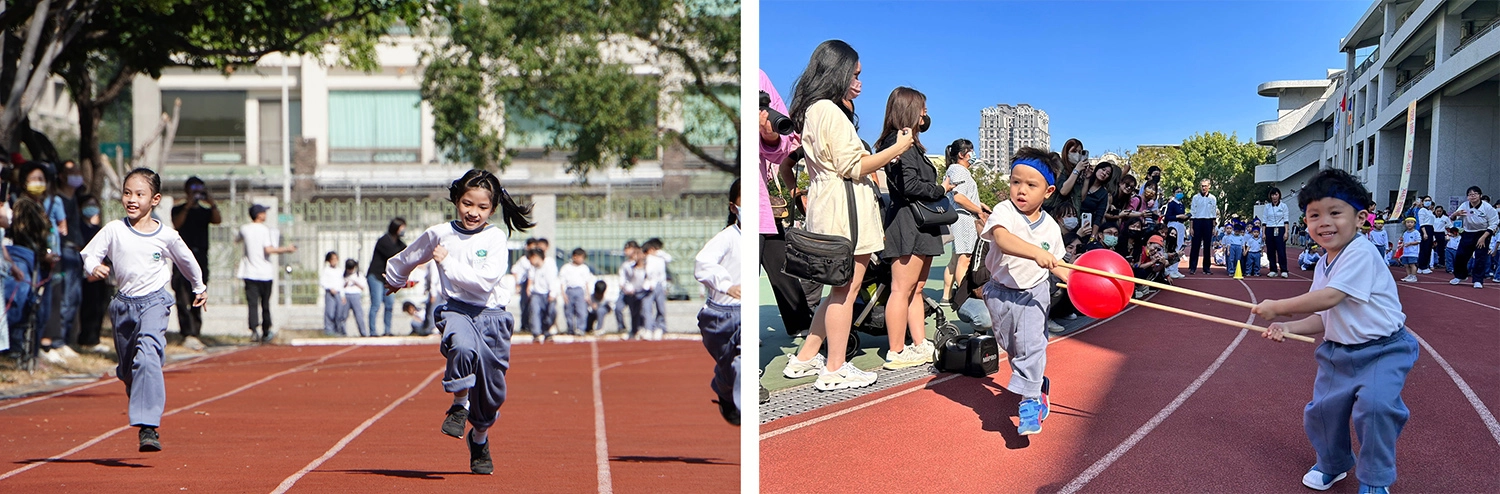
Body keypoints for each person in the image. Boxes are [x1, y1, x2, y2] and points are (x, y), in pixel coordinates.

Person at [1254, 168, 1419, 494]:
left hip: (1383, 350)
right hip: (1337, 352)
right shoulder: (1323, 262)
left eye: (1335, 212)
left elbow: (1332, 296)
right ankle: (1333, 464)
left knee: (1375, 408)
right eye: (1314, 215)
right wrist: (1287, 326)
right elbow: (1323, 315)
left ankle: (1374, 480)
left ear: (1360, 218)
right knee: (1321, 413)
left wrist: (1280, 306)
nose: (1324, 222)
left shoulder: (1360, 252)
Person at [781, 39, 915, 391]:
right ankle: (835, 368)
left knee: (838, 289)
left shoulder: (815, 109)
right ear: (837, 73)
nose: (859, 82)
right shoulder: (827, 109)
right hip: (846, 207)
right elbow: (853, 166)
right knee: (846, 289)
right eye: (854, 74)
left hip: (832, 203)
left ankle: (806, 358)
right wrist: (899, 148)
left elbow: (801, 166)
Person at [382, 168, 534, 475]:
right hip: (456, 310)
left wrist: (447, 262)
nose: (473, 212)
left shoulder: (494, 238)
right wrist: (396, 278)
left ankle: (479, 439)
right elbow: (409, 255)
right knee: (461, 347)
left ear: (492, 209)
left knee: (493, 395)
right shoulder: (441, 234)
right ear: (456, 200)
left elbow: (483, 282)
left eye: (481, 207)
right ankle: (459, 404)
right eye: (467, 203)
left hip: (492, 317)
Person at [80, 167, 207, 453]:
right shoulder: (114, 229)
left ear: (155, 199)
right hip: (123, 305)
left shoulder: (167, 236)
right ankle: (137, 394)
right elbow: (89, 254)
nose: (132, 199)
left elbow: (187, 261)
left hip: (154, 302)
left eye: (140, 194)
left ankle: (148, 427)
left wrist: (199, 287)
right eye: (127, 193)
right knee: (129, 371)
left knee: (149, 356)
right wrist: (94, 266)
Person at [980, 147, 1069, 436]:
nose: (1021, 190)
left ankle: (1030, 404)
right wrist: (1034, 253)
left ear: (1048, 191)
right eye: (1016, 182)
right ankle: (1037, 384)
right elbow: (1003, 240)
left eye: (1031, 185)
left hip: (1033, 294)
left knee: (1032, 347)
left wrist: (1084, 284)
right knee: (1013, 349)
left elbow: (1058, 265)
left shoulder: (1051, 230)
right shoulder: (1004, 211)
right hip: (998, 292)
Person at [875, 86, 952, 370]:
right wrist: (939, 188)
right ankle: (896, 349)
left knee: (917, 289)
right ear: (910, 109)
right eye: (922, 107)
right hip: (907, 222)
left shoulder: (911, 144)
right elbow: (909, 185)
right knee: (901, 288)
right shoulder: (897, 143)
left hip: (923, 224)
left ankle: (919, 343)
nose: (926, 113)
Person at [759, 70, 818, 338]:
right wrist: (796, 193)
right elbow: (788, 163)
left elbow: (782, 145)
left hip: (758, 208)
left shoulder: (757, 77)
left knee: (785, 268)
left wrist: (769, 136)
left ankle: (806, 332)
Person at [693, 178, 742, 425]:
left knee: (742, 364)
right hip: (719, 317)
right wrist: (726, 285)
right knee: (728, 368)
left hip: (743, 316)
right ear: (734, 208)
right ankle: (723, 391)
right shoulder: (728, 237)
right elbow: (703, 264)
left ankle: (744, 410)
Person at [169, 177, 219, 350]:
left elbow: (217, 220)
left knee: (199, 293)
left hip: (200, 256)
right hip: (182, 257)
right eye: (194, 188)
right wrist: (188, 205)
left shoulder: (205, 211)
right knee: (182, 295)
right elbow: (177, 224)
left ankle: (196, 331)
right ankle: (187, 333)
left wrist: (211, 203)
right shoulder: (179, 208)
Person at [235, 204, 295, 342]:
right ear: (259, 215)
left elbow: (237, 239)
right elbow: (268, 249)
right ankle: (266, 329)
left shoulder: (245, 229)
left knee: (252, 303)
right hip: (265, 273)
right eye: (263, 212)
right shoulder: (265, 230)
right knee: (265, 303)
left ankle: (254, 329)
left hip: (249, 273)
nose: (265, 214)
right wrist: (286, 249)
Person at [942, 138, 988, 305]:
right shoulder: (959, 171)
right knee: (965, 258)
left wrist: (979, 204)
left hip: (959, 217)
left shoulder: (953, 170)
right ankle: (964, 297)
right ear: (962, 154)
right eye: (970, 151)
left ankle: (946, 296)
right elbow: (960, 197)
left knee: (955, 259)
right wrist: (978, 211)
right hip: (964, 218)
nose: (973, 155)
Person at [76, 193, 112, 353]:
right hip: (85, 274)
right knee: (88, 305)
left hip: (100, 273)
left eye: (94, 204)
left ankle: (94, 337)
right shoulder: (78, 228)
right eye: (88, 204)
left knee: (99, 304)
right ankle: (86, 338)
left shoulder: (99, 229)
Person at [1448, 186, 1498, 288]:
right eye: (1470, 195)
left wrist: (1484, 237)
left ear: (1480, 195)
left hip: (1483, 233)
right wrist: (1455, 214)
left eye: (1475, 194)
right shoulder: (1464, 205)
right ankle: (1460, 276)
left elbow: (1494, 224)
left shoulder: (1487, 208)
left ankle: (1478, 280)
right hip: (1468, 233)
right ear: (1467, 197)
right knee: (1460, 255)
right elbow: (1453, 218)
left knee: (1480, 257)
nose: (1473, 196)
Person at [367, 218, 408, 336]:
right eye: (402, 227)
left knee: (389, 304)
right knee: (376, 303)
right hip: (376, 276)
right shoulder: (384, 241)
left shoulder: (400, 244)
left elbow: (408, 254)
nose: (403, 230)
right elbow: (394, 255)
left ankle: (387, 330)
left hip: (388, 278)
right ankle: (373, 331)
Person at [558, 248, 595, 336]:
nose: (581, 259)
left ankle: (580, 329)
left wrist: (587, 294)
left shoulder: (584, 268)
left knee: (581, 311)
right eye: (580, 257)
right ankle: (570, 329)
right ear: (574, 257)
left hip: (580, 291)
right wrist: (563, 294)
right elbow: (562, 282)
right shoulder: (566, 268)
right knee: (568, 311)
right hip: (569, 290)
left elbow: (587, 282)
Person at [1187, 179, 1218, 275]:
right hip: (1197, 221)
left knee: (1207, 246)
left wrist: (1213, 227)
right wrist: (1191, 227)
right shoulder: (1195, 197)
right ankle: (1192, 267)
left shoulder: (1213, 198)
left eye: (1205, 186)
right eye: (1202, 186)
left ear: (1209, 186)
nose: (1204, 188)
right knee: (1195, 245)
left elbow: (1213, 214)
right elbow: (1192, 213)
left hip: (1208, 222)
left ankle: (1206, 268)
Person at [643, 238, 669, 340]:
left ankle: (660, 328)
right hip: (649, 285)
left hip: (660, 285)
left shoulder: (661, 257)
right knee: (647, 307)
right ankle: (649, 329)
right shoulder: (648, 258)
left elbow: (669, 258)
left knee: (660, 308)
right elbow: (648, 271)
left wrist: (659, 253)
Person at [1263, 187, 1290, 278]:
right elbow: (1264, 220)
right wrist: (1263, 233)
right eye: (1273, 195)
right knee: (1270, 251)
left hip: (1280, 228)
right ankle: (1273, 269)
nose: (1274, 197)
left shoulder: (1283, 206)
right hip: (1269, 229)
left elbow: (1286, 220)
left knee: (1281, 250)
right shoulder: (1267, 207)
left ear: (1279, 195)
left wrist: (1286, 232)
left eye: (1276, 195)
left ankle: (1284, 270)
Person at [342, 259, 370, 337]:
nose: (350, 270)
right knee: (343, 316)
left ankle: (363, 333)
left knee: (359, 315)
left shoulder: (359, 275)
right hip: (346, 295)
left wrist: (355, 282)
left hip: (356, 295)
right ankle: (342, 332)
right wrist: (346, 283)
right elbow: (340, 286)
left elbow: (363, 287)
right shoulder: (343, 275)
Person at [320, 251, 345, 336]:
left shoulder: (339, 271)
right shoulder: (326, 270)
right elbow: (322, 282)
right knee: (330, 312)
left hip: (338, 293)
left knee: (339, 313)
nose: (334, 261)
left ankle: (339, 330)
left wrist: (343, 295)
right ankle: (329, 330)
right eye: (332, 259)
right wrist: (330, 288)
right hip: (330, 293)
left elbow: (341, 283)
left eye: (336, 259)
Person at [1412, 196, 1437, 274]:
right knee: (1424, 248)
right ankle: (1422, 266)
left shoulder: (1429, 211)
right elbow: (1421, 222)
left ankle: (1424, 265)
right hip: (1425, 229)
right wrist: (1425, 233)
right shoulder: (1422, 210)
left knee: (1428, 248)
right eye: (1426, 200)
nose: (1428, 202)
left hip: (1430, 228)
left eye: (1429, 200)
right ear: (1422, 202)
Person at [1396, 217, 1420, 282]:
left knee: (1412, 264)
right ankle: (1409, 275)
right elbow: (1404, 241)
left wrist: (1410, 243)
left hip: (1413, 252)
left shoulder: (1416, 232)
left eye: (1411, 222)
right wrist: (1402, 245)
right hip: (1406, 252)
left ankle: (1413, 276)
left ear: (1414, 224)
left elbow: (1418, 241)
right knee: (1406, 265)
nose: (1409, 224)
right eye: (1408, 222)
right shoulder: (1405, 233)